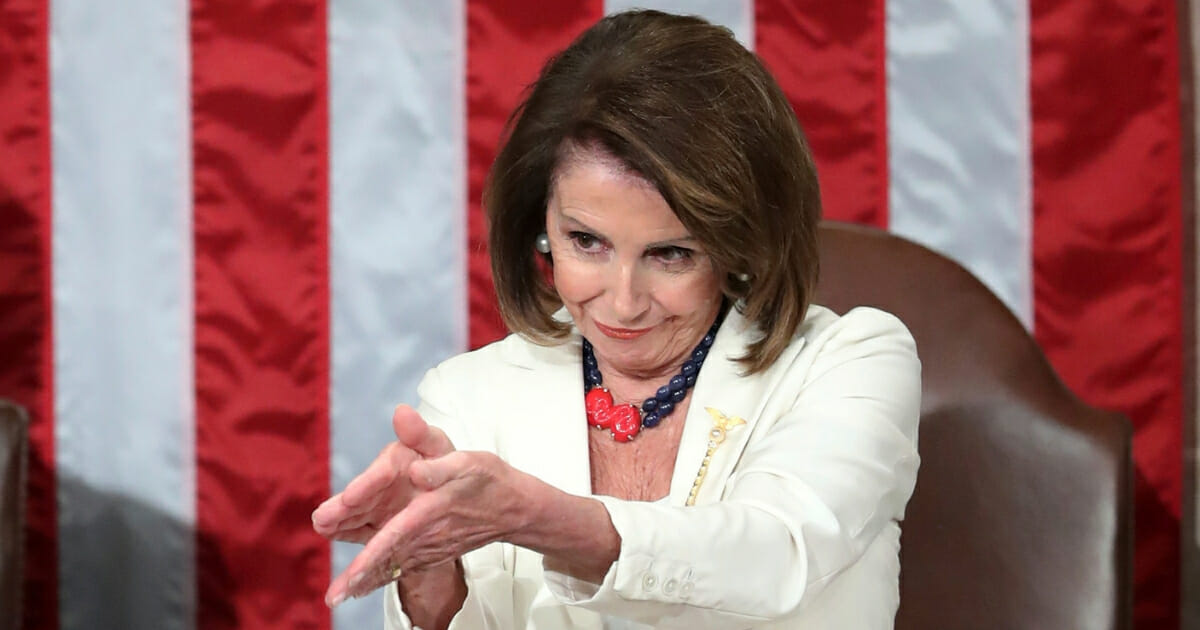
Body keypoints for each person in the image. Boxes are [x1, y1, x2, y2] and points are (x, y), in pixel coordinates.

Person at [312, 9, 920, 630]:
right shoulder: (468, 397)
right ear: (540, 227)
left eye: (672, 253)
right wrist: (429, 569)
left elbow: (778, 551)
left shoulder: (853, 359)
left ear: (741, 243)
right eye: (586, 242)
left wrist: (536, 517)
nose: (624, 301)